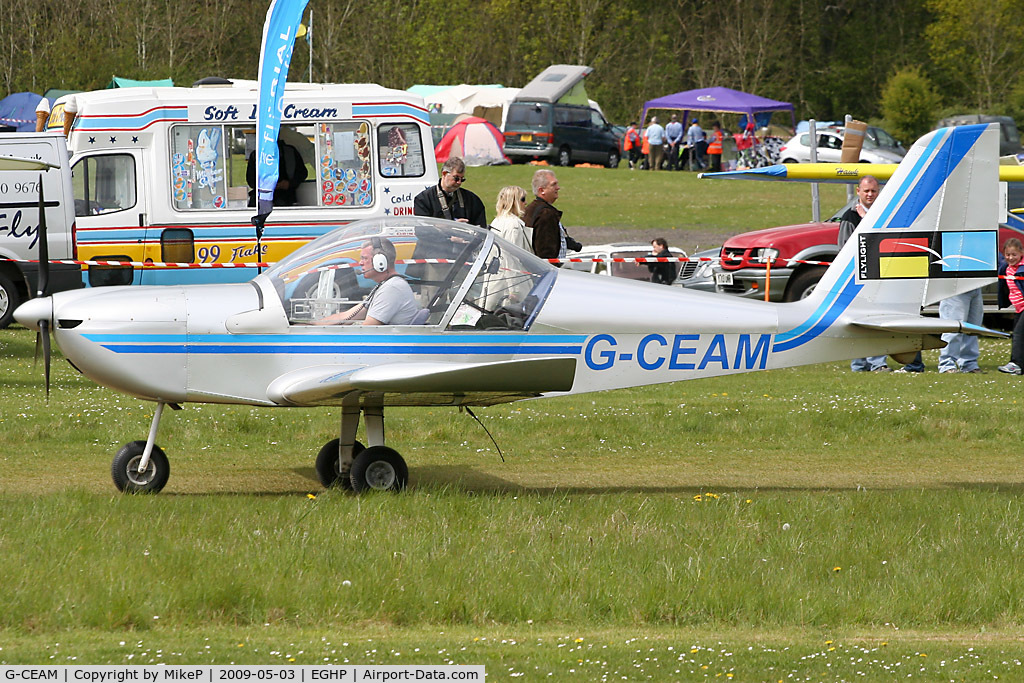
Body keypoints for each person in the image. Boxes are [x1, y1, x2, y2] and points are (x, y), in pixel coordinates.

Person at [839, 175, 891, 372]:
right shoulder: (850, 216)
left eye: (874, 191)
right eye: (866, 191)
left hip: (880, 276)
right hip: (857, 278)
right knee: (858, 321)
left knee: (877, 320)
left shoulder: (885, 214)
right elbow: (844, 249)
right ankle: (859, 364)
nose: (870, 194)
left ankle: (877, 363)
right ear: (858, 192)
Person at [315, 237, 420, 326]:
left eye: (364, 258)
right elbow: (346, 316)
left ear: (380, 262)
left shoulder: (392, 288)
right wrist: (312, 325)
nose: (360, 263)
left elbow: (367, 330)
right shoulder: (385, 285)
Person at [525, 169, 581, 263]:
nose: (558, 188)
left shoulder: (533, 209)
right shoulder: (545, 214)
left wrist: (569, 243)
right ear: (542, 190)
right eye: (553, 184)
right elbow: (545, 252)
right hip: (546, 270)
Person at [413, 156, 487, 227]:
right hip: (436, 240)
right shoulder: (423, 200)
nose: (459, 182)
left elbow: (481, 229)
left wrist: (466, 238)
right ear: (444, 174)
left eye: (462, 179)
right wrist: (448, 229)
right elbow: (422, 231)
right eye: (456, 178)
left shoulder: (473, 200)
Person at [247, 136, 308, 207]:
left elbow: (302, 173)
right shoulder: (256, 155)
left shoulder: (290, 152)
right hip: (261, 196)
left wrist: (289, 184)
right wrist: (265, 185)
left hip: (286, 196)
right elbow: (251, 180)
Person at [937, 287, 984, 373]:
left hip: (975, 284)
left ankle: (969, 364)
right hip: (955, 286)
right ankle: (947, 365)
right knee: (953, 328)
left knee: (973, 329)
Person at [998, 238, 1024, 374]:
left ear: (1021, 253)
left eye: (1014, 255)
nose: (1010, 258)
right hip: (1018, 308)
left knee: (1019, 334)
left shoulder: (1022, 269)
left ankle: (1016, 363)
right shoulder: (1006, 268)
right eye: (1007, 255)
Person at [490, 186, 532, 252]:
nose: (526, 202)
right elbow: (514, 254)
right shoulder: (514, 224)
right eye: (523, 199)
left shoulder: (497, 220)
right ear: (514, 202)